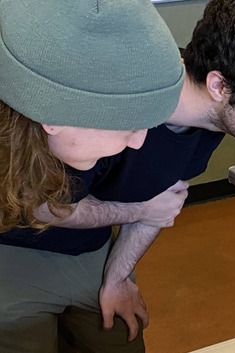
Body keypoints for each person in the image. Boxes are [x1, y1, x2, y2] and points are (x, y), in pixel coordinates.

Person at [85, 0, 235, 349]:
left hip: (92, 240)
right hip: (18, 236)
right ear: (219, 86)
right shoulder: (116, 103)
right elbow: (37, 209)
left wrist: (118, 277)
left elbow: (164, 197)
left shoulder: (212, 115)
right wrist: (140, 211)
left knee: (119, 338)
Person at [0, 0, 186, 352]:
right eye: (126, 126)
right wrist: (141, 211)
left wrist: (118, 277)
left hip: (84, 248)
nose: (138, 142)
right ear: (51, 114)